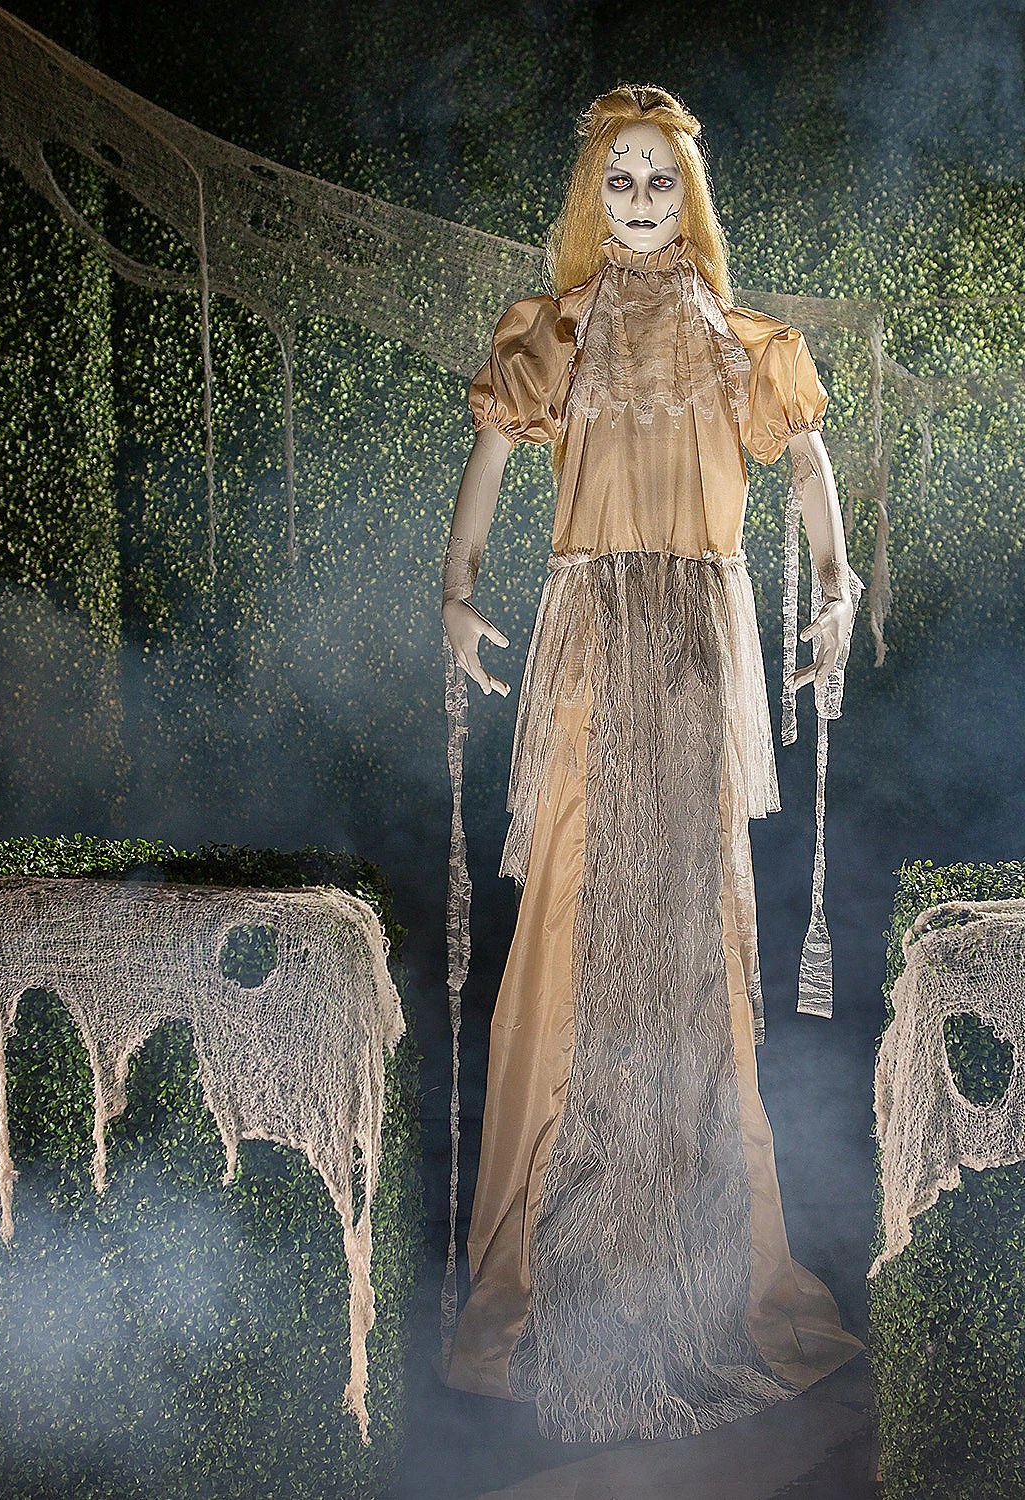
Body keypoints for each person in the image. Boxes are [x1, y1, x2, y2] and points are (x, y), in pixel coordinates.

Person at [440, 83, 863, 1444]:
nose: (637, 200)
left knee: (692, 938)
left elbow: (806, 469)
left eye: (659, 179)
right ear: (592, 195)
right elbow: (491, 460)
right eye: (618, 179)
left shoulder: (746, 343)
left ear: (691, 194)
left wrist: (837, 586)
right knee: (572, 922)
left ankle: (697, 1260)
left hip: (690, 656)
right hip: (588, 653)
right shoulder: (550, 331)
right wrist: (456, 589)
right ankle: (553, 1260)